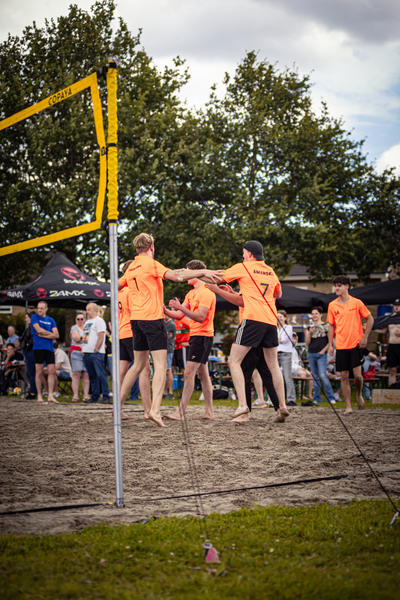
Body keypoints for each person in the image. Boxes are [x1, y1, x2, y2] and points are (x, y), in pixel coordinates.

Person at [118, 233, 220, 427]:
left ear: (136, 249)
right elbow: (176, 275)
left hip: (136, 321)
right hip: (152, 319)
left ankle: (118, 407)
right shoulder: (151, 264)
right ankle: (155, 410)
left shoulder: (131, 267)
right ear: (151, 247)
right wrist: (201, 272)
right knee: (159, 366)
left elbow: (117, 285)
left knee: (138, 365)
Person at [210, 240, 289, 423]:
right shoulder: (270, 270)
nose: (243, 255)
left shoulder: (243, 267)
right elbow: (278, 295)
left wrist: (206, 281)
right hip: (271, 321)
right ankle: (282, 406)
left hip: (253, 319)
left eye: (244, 253)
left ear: (250, 254)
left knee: (234, 362)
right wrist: (242, 291)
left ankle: (243, 406)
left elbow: (216, 277)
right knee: (273, 366)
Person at [206, 282, 284, 419]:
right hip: (264, 328)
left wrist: (219, 291)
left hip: (251, 331)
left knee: (243, 371)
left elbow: (243, 301)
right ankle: (279, 407)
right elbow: (246, 300)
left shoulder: (251, 283)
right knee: (266, 371)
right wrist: (233, 293)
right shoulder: (262, 286)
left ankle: (244, 411)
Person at [163, 260, 216, 421]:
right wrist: (163, 309)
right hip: (197, 336)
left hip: (203, 336)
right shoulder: (191, 293)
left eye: (187, 271)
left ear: (195, 272)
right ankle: (209, 412)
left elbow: (200, 317)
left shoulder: (206, 292)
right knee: (203, 374)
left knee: (188, 373)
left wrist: (181, 308)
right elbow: (179, 316)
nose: (185, 275)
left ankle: (180, 412)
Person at [327, 275, 374, 414]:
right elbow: (331, 326)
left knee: (358, 376)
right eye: (335, 285)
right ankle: (348, 406)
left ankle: (359, 395)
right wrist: (330, 344)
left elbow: (370, 319)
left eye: (340, 285)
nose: (337, 288)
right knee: (344, 376)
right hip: (340, 346)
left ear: (347, 287)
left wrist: (365, 337)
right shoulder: (332, 305)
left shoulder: (356, 303)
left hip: (356, 344)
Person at [118, 261, 151, 411]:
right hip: (132, 332)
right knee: (145, 369)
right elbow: (134, 312)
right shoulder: (130, 290)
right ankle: (148, 409)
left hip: (121, 333)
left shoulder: (118, 290)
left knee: (123, 371)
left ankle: (118, 408)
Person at [305, 306, 336, 405]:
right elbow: (307, 343)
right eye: (313, 313)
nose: (314, 315)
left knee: (323, 375)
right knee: (315, 377)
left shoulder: (326, 325)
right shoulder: (310, 327)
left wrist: (323, 351)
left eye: (316, 313)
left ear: (321, 315)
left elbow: (330, 340)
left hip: (321, 354)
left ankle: (331, 397)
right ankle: (317, 398)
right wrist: (309, 333)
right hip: (311, 353)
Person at [81, 303, 110, 404]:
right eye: (86, 310)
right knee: (92, 376)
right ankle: (95, 396)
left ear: (94, 310)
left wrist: (96, 349)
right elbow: (85, 336)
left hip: (96, 353)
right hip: (87, 352)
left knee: (101, 375)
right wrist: (83, 349)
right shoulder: (87, 322)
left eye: (89, 310)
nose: (87, 312)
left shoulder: (99, 321)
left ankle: (106, 396)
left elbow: (101, 337)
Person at [31, 301, 59, 403]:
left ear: (46, 309)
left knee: (52, 371)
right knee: (39, 372)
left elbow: (56, 335)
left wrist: (45, 334)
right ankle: (39, 395)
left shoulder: (51, 320)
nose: (39, 310)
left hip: (49, 349)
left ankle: (50, 395)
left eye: (41, 308)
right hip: (38, 348)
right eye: (38, 308)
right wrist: (50, 334)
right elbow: (38, 330)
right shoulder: (34, 317)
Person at [374, 299, 400, 387]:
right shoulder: (390, 318)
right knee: (392, 370)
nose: (396, 307)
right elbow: (383, 330)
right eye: (395, 305)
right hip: (392, 346)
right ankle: (391, 390)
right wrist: (369, 328)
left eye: (398, 305)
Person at [277, 310, 297, 406]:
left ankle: (291, 399)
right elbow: (273, 340)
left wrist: (278, 340)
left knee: (287, 377)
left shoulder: (288, 327)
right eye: (278, 316)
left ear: (285, 318)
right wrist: (278, 340)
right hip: (275, 353)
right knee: (275, 376)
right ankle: (274, 398)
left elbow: (285, 339)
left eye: (281, 316)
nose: (279, 318)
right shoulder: (274, 328)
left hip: (286, 354)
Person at [69, 312, 90, 402]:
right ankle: (75, 395)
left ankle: (86, 395)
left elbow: (88, 339)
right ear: (76, 320)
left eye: (82, 319)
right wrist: (85, 338)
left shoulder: (87, 327)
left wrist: (82, 337)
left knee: (86, 374)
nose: (80, 321)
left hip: (85, 352)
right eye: (78, 319)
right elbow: (76, 339)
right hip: (76, 352)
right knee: (76, 374)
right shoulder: (73, 327)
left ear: (84, 319)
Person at [19, 312, 37, 399]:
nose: (25, 319)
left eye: (26, 318)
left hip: (30, 352)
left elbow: (31, 340)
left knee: (32, 373)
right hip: (29, 352)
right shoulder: (30, 328)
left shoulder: (32, 328)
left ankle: (33, 392)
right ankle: (33, 390)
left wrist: (26, 348)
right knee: (31, 373)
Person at [291, 332, 313, 400]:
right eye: (292, 338)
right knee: (302, 374)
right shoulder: (286, 349)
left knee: (310, 374)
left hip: (296, 367)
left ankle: (309, 394)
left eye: (294, 339)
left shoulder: (294, 349)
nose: (293, 340)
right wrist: (298, 368)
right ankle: (301, 395)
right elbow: (289, 363)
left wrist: (300, 367)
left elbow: (296, 362)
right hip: (289, 368)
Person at [163, 314, 176, 400]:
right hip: (165, 348)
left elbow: (162, 334)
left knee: (168, 370)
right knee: (165, 370)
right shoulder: (166, 323)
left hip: (168, 349)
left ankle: (170, 392)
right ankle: (165, 392)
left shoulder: (171, 324)